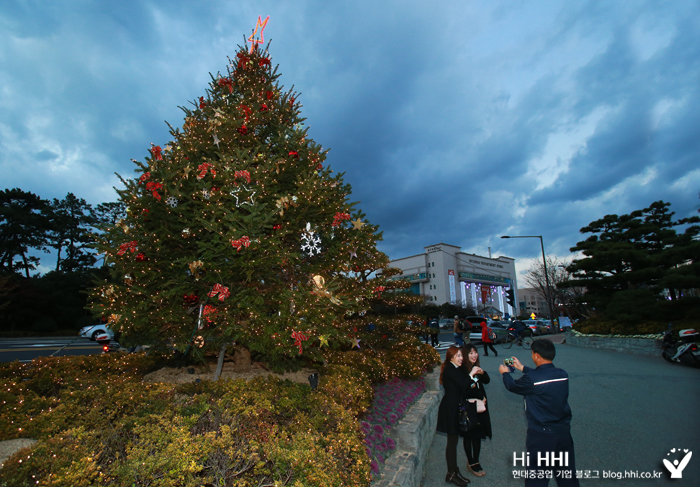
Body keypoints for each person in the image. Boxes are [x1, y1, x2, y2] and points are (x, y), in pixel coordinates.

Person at [498, 339, 579, 486]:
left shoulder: (533, 379)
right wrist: (522, 368)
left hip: (541, 435)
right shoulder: (562, 374)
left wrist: (505, 373)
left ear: (536, 355)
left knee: (537, 478)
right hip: (563, 432)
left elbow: (512, 386)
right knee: (567, 475)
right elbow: (541, 375)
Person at [436, 346, 472, 486]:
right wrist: (473, 373)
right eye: (458, 356)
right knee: (452, 443)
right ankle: (451, 473)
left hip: (454, 408)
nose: (461, 358)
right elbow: (464, 384)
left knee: (453, 441)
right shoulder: (450, 370)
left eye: (461, 356)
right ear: (451, 357)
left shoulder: (455, 368)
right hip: (450, 410)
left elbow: (464, 385)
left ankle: (454, 471)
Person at [460, 344, 492, 477]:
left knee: (478, 434)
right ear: (465, 355)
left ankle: (476, 461)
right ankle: (471, 462)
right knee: (468, 434)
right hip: (469, 407)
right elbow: (463, 389)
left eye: (475, 352)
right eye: (471, 353)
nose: (474, 355)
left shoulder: (475, 368)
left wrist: (482, 373)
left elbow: (487, 380)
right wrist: (471, 376)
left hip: (480, 407)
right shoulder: (461, 370)